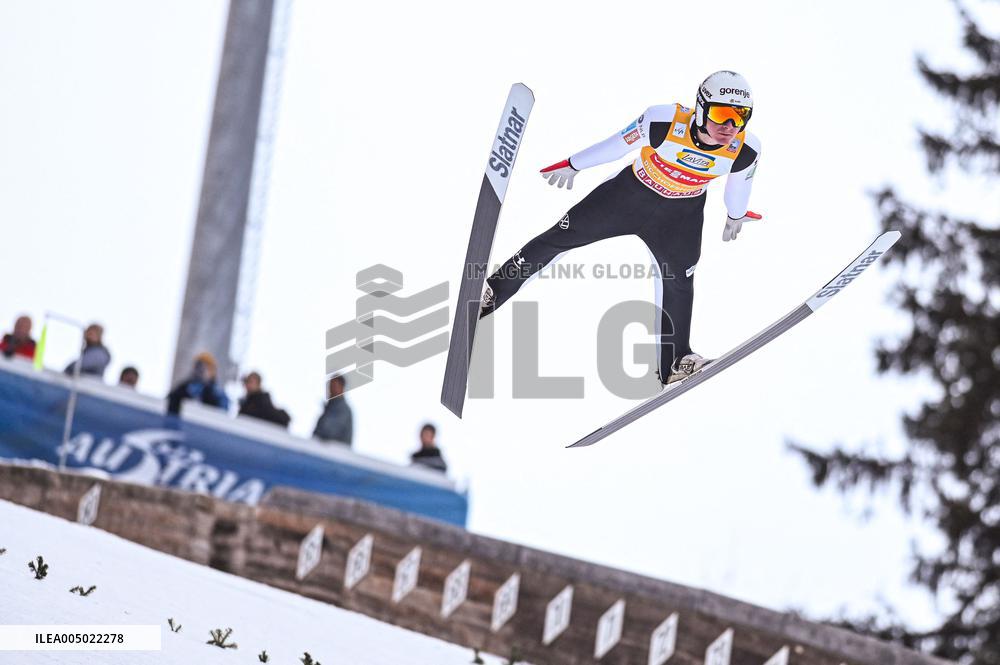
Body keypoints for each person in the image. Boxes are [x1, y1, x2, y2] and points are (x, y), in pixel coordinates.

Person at [481, 71, 762, 387]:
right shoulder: (663, 122)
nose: (730, 127)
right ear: (700, 108)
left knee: (680, 282)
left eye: (741, 117)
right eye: (722, 114)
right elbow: (617, 145)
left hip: (680, 217)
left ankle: (676, 361)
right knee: (560, 238)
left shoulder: (745, 149)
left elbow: (737, 189)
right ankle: (492, 291)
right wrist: (575, 164)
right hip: (628, 196)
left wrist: (736, 215)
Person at [313, 375, 353, 445]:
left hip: (334, 452)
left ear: (341, 388)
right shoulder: (329, 409)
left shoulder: (343, 410)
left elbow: (329, 432)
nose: (330, 390)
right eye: (330, 387)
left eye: (334, 387)